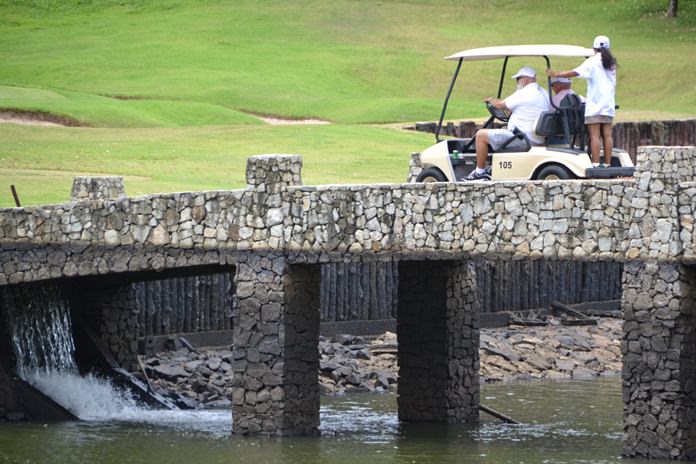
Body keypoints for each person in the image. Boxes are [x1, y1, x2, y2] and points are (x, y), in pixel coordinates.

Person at [463, 66, 551, 181]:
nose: (517, 82)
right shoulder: (543, 92)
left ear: (525, 79)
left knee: (481, 135)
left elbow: (500, 105)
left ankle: (479, 172)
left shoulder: (525, 93)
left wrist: (490, 100)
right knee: (503, 130)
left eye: (518, 79)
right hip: (537, 138)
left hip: (522, 138)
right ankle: (493, 168)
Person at [547, 35, 617, 167]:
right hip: (608, 104)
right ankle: (607, 163)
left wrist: (556, 74)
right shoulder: (611, 63)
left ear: (594, 48)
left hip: (595, 104)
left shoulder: (592, 61)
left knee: (594, 135)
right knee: (607, 135)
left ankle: (595, 163)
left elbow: (575, 72)